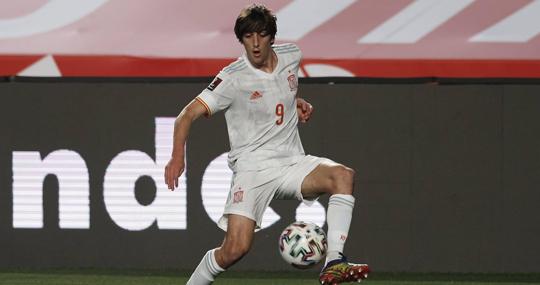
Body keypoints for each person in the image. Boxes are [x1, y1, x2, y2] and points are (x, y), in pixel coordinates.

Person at [164, 4, 369, 284]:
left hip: (291, 162)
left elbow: (280, 90)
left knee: (343, 176)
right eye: (248, 36)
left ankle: (334, 261)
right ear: (241, 40)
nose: (256, 44)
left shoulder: (291, 55)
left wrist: (295, 103)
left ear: (272, 36)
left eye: (261, 35)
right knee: (235, 249)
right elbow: (186, 115)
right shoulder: (232, 77)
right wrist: (177, 157)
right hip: (253, 170)